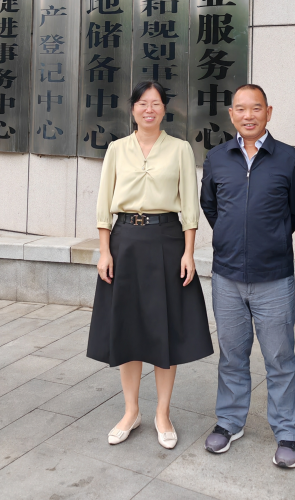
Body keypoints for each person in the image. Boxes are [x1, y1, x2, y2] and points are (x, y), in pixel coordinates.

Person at [87, 81, 213, 450]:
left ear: (164, 110)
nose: (149, 109)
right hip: (125, 242)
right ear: (133, 109)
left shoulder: (180, 149)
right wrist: (104, 251)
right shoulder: (116, 149)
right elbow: (104, 204)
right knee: (128, 330)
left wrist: (189, 253)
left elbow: (189, 206)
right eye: (143, 103)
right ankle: (131, 412)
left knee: (164, 329)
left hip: (167, 241)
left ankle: (162, 413)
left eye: (156, 103)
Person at [200, 84, 295, 469]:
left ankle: (288, 432)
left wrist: (269, 238)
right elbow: (210, 206)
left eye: (256, 108)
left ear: (268, 112)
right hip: (227, 276)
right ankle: (229, 422)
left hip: (273, 277)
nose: (249, 116)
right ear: (232, 114)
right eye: (241, 109)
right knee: (232, 354)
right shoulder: (217, 158)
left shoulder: (290, 160)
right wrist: (233, 238)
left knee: (279, 357)